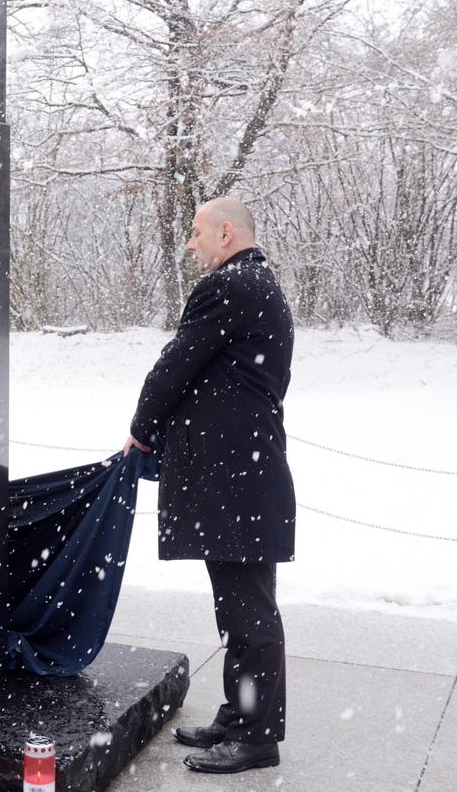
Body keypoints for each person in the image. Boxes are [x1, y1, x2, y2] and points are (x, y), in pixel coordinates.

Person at [124, 197, 295, 774]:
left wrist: (141, 432)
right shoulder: (258, 283)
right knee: (238, 604)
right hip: (243, 474)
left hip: (237, 479)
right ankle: (239, 715)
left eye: (197, 233)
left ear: (227, 232)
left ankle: (257, 736)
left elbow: (176, 363)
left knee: (249, 610)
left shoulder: (230, 286)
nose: (191, 244)